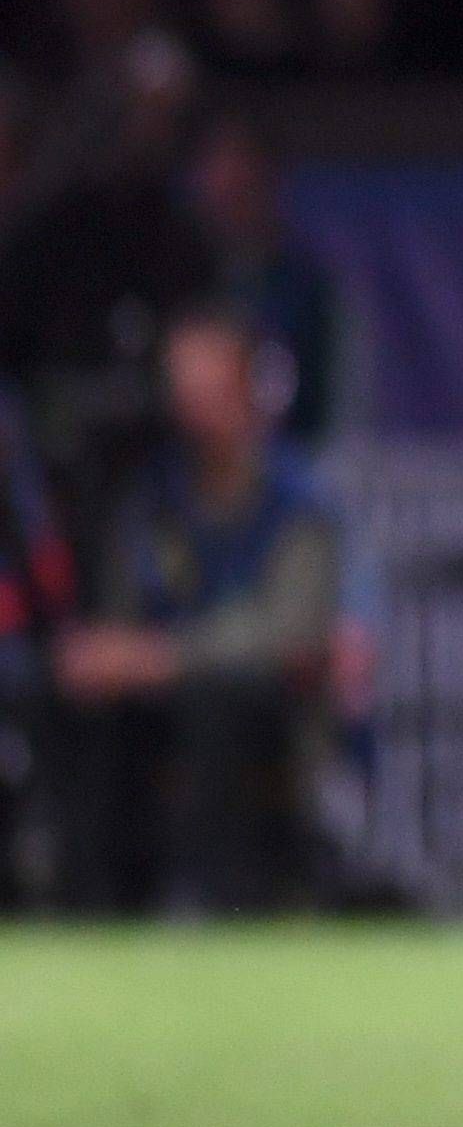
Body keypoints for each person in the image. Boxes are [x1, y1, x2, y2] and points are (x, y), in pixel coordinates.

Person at [49, 300, 344, 913]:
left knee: (219, 706)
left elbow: (292, 634)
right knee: (80, 707)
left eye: (212, 393)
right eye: (185, 394)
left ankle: (223, 911)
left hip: (261, 714)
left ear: (249, 394)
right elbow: (122, 616)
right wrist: (106, 655)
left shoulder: (298, 502)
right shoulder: (154, 495)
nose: (196, 413)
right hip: (159, 702)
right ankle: (88, 914)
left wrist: (164, 658)